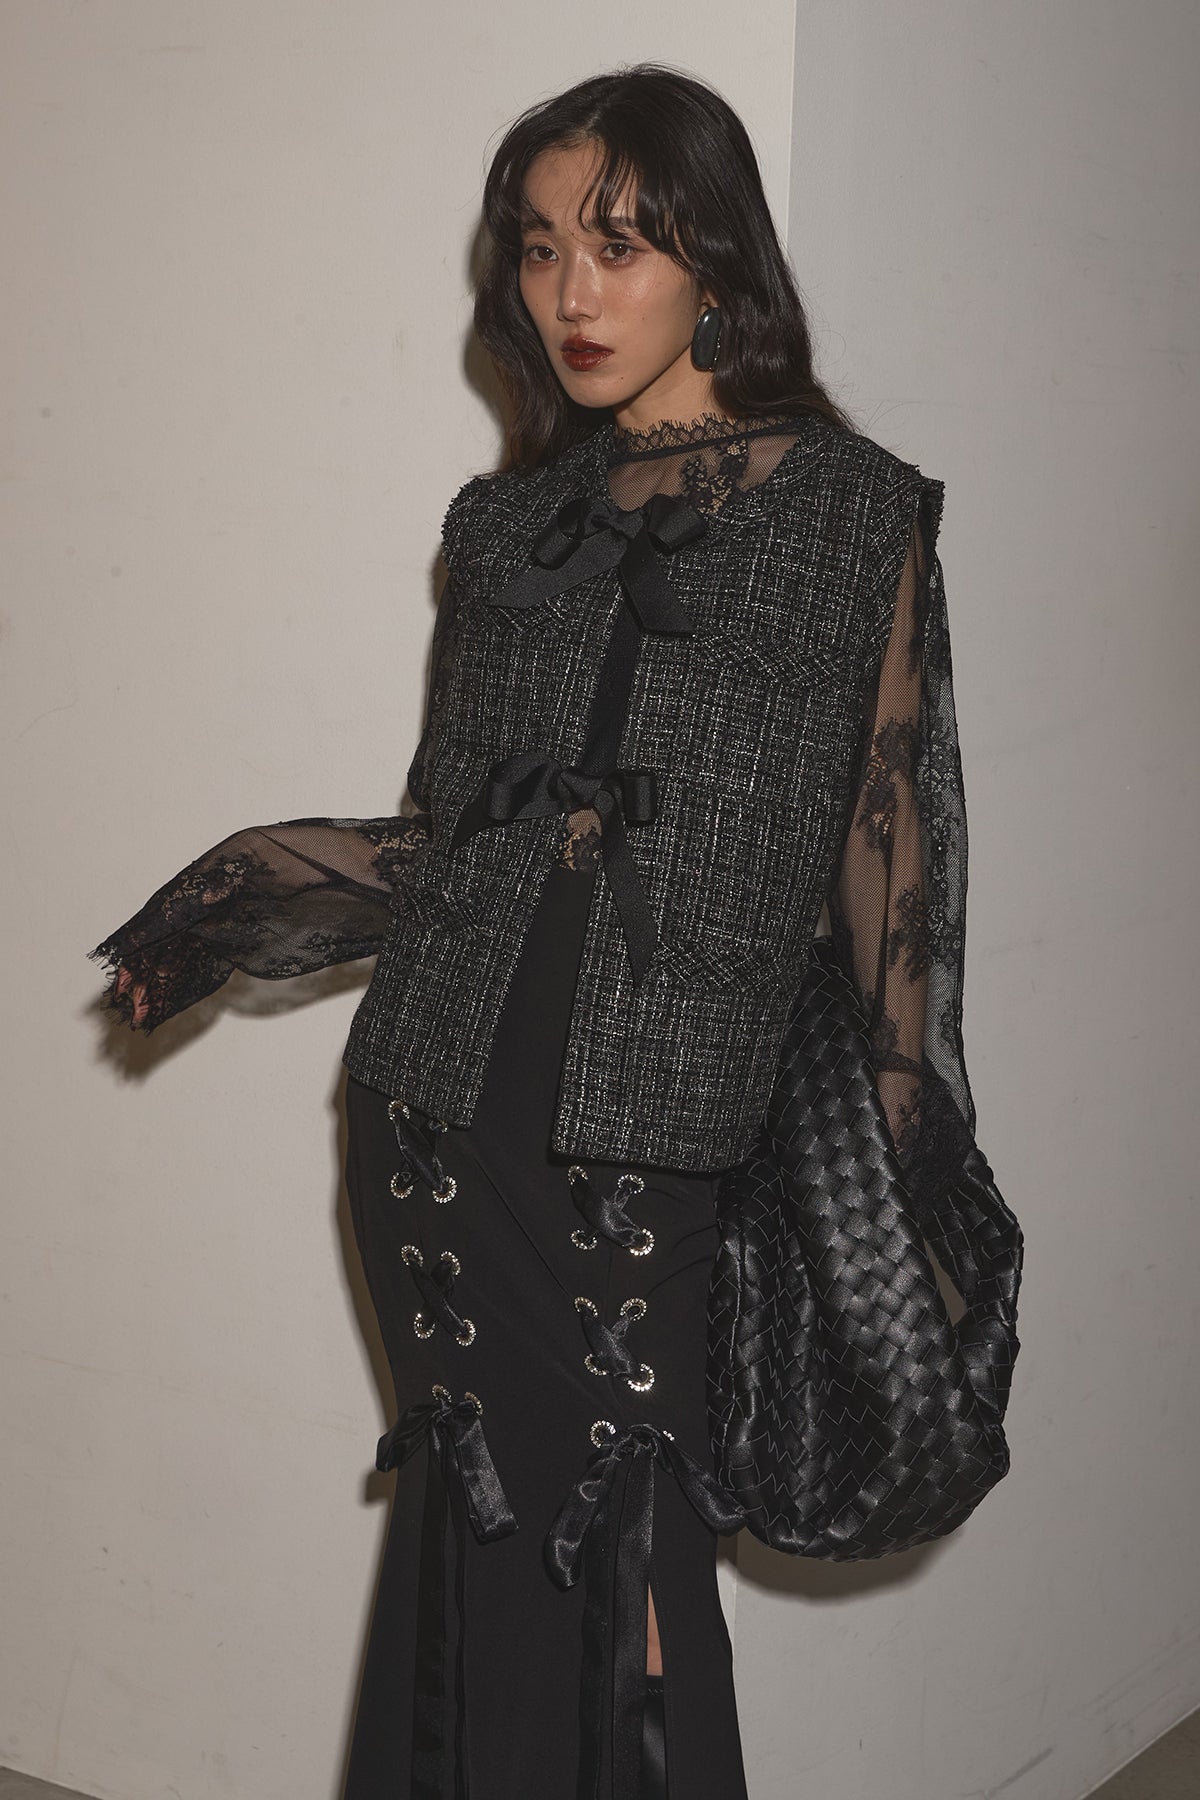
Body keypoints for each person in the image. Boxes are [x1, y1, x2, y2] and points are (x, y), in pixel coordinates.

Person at [89, 62, 985, 1800]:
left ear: (716, 263)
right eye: (539, 247)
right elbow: (457, 843)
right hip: (439, 1108)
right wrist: (239, 888)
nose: (572, 292)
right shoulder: (503, 528)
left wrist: (907, 1174)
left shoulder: (855, 515)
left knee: (635, 1580)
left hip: (659, 1139)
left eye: (620, 246)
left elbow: (898, 879)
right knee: (481, 1546)